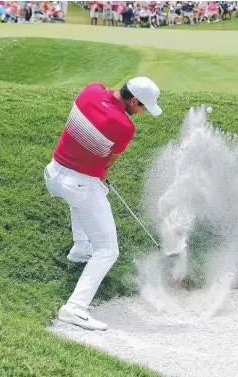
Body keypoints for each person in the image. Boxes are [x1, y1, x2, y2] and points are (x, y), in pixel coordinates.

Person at [44, 77, 162, 331]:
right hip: (77, 184)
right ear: (133, 101)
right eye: (142, 108)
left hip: (53, 173)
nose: (141, 113)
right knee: (108, 250)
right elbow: (109, 161)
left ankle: (80, 249)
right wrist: (102, 171)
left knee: (90, 198)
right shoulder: (124, 126)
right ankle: (74, 309)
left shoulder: (91, 90)